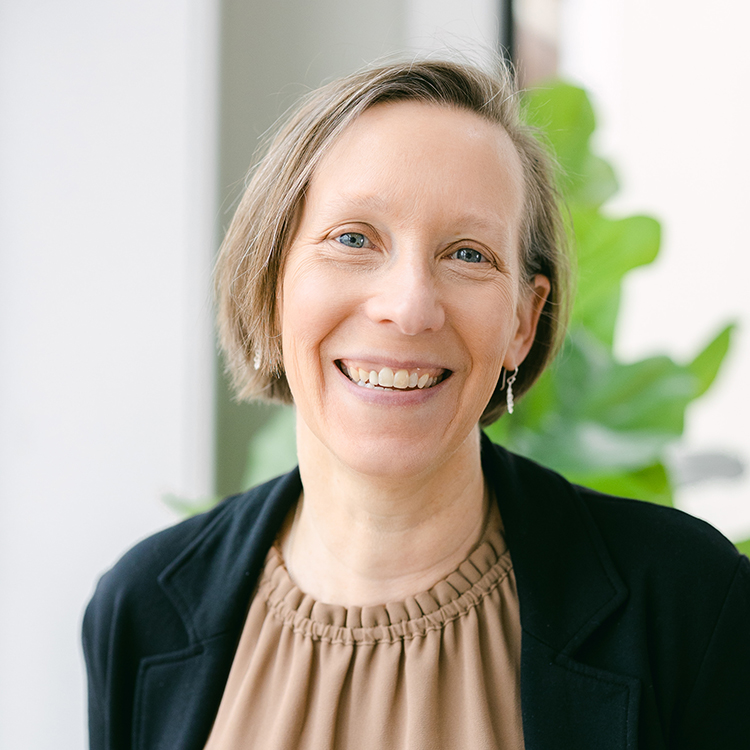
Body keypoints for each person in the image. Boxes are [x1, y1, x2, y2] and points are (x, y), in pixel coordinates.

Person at [83, 59, 750, 750]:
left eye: (467, 254)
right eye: (353, 239)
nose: (408, 308)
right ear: (272, 283)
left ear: (524, 320)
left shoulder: (688, 604)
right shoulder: (141, 610)